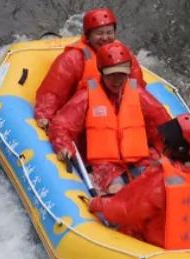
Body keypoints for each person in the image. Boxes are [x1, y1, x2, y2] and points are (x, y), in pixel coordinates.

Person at [88, 113, 190, 250]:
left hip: (157, 248)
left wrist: (97, 203)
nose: (164, 142)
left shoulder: (162, 178)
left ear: (177, 148)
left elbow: (125, 210)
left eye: (167, 140)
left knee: (109, 220)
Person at [48, 40, 171, 193]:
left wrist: (172, 151)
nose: (117, 80)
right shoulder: (86, 96)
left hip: (139, 157)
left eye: (121, 74)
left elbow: (163, 123)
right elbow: (61, 124)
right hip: (105, 164)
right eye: (111, 74)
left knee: (158, 185)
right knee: (116, 189)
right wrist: (63, 145)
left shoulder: (138, 93)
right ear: (101, 72)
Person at [35, 7, 145, 130]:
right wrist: (44, 116)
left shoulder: (123, 54)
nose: (105, 38)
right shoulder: (73, 59)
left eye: (109, 33)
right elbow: (52, 92)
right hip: (84, 118)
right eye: (99, 33)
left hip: (118, 117)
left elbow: (137, 88)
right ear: (88, 36)